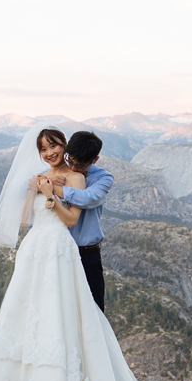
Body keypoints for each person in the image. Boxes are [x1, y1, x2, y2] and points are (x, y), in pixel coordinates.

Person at [0, 127, 186, 381]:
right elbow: (26, 220)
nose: (51, 153)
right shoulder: (41, 176)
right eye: (44, 148)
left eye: (55, 147)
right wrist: (34, 191)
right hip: (38, 251)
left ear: (71, 150)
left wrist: (52, 192)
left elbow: (79, 209)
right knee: (38, 317)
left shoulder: (93, 178)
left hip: (78, 255)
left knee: (87, 324)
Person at [47, 131, 113, 311]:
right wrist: (45, 180)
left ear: (95, 159)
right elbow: (27, 185)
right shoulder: (57, 172)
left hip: (86, 254)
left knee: (93, 309)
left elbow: (88, 198)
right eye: (71, 161)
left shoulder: (103, 178)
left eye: (80, 165)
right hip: (59, 251)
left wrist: (52, 188)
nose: (74, 168)